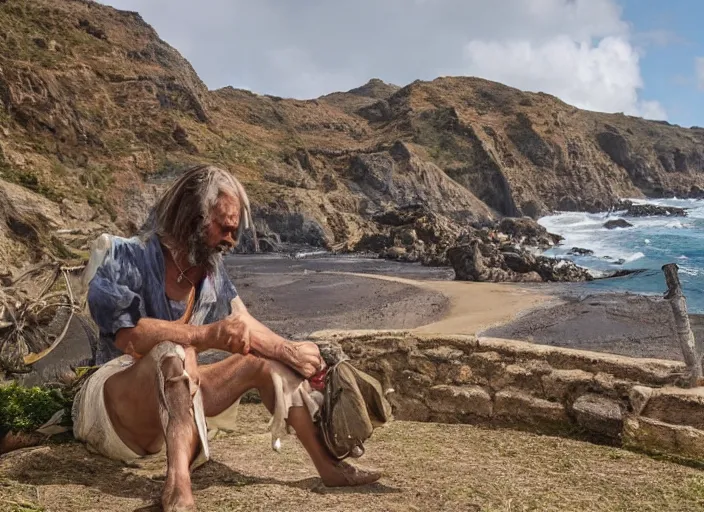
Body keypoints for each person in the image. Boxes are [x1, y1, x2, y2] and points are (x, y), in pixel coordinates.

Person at [72, 164, 381, 512]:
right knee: (173, 350)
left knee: (262, 361)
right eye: (224, 228)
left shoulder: (210, 271)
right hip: (113, 411)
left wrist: (291, 352)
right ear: (192, 216)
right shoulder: (123, 255)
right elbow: (128, 337)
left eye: (234, 231)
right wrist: (205, 335)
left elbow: (242, 321)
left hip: (173, 408)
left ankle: (329, 468)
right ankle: (177, 489)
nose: (231, 240)